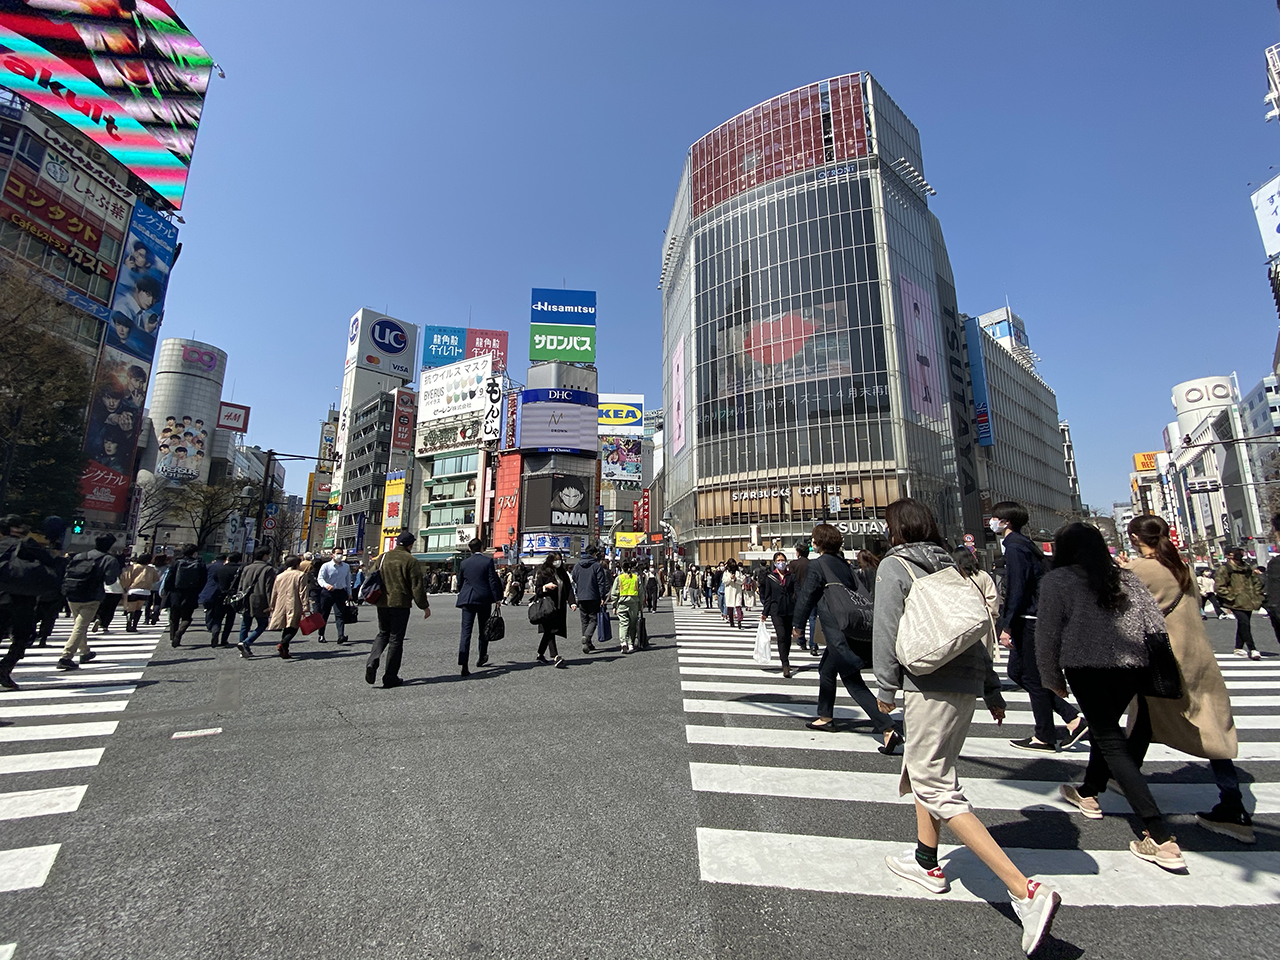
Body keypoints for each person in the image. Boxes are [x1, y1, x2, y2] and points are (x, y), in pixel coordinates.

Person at [871, 500, 1059, 954]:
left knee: (934, 783)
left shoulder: (895, 565)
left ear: (896, 529)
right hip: (965, 682)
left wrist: (885, 687)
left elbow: (886, 627)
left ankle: (1024, 891)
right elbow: (973, 626)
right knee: (929, 771)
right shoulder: (951, 560)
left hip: (927, 681)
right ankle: (926, 860)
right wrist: (990, 686)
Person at [1037, 522, 1183, 871]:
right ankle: (1088, 791)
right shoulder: (1127, 578)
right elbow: (1155, 627)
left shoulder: (1058, 581)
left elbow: (1046, 635)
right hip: (1132, 667)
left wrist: (1051, 678)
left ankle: (1159, 835)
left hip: (1086, 667)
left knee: (1109, 737)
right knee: (1108, 733)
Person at [1123, 516, 1253, 843]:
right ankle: (1232, 803)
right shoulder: (1180, 566)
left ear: (1135, 536)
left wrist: (1123, 571)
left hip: (1167, 659)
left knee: (1150, 714)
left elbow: (1119, 606)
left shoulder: (1142, 570)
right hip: (1198, 658)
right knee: (1205, 725)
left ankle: (1232, 805)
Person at [990, 501, 1087, 752]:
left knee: (1031, 677)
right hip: (1032, 617)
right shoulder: (1023, 544)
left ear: (1006, 522)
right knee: (1017, 673)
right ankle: (1071, 718)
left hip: (1028, 619)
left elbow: (1017, 589)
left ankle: (1045, 735)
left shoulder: (1014, 548)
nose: (991, 522)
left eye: (995, 518)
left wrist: (1007, 625)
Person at [795, 524, 898, 751]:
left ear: (819, 543)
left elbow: (807, 596)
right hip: (850, 626)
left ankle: (887, 728)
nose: (812, 542)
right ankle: (825, 716)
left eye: (813, 539)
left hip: (837, 630)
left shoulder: (818, 565)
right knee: (826, 670)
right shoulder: (844, 564)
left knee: (853, 682)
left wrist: (798, 625)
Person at [0, 516, 61, 690]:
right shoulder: (27, 543)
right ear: (16, 528)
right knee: (23, 635)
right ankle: (5, 667)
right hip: (20, 598)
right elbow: (51, 561)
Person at [366, 533, 430, 687]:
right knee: (396, 639)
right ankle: (390, 677)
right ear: (410, 545)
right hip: (400, 603)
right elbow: (417, 586)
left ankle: (372, 661)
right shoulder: (411, 560)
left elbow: (372, 574)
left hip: (382, 602)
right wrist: (424, 606)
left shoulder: (382, 558)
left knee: (382, 634)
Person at [57, 534, 122, 671]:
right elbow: (110, 580)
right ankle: (66, 657)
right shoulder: (109, 560)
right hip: (91, 596)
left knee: (79, 625)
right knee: (80, 627)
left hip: (72, 593)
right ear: (110, 546)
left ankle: (85, 652)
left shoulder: (80, 556)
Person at [455, 539, 503, 675]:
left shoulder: (464, 563)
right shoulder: (487, 561)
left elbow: (460, 582)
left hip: (467, 599)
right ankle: (482, 655)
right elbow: (492, 581)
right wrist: (497, 599)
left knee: (466, 632)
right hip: (483, 599)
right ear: (482, 548)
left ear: (470, 549)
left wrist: (462, 592)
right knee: (484, 629)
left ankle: (464, 664)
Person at [1214, 547, 1265, 659]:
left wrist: (1257, 595)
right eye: (1234, 553)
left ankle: (1238, 647)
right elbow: (1219, 586)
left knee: (1243, 624)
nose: (1238, 555)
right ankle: (1253, 649)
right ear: (1228, 555)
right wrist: (1232, 596)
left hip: (1249, 600)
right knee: (1244, 622)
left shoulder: (1247, 567)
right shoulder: (1225, 568)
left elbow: (1256, 582)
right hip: (1234, 602)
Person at [758, 551, 796, 678]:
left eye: (783, 560)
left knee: (788, 637)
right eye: (778, 561)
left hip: (789, 610)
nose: (781, 563)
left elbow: (795, 593)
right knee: (781, 636)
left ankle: (786, 656)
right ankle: (785, 664)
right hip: (776, 611)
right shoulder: (770, 578)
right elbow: (767, 596)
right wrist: (765, 613)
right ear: (774, 563)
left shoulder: (791, 576)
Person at [233, 548, 276, 658]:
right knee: (262, 624)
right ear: (264, 556)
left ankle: (243, 646)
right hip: (260, 600)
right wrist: (271, 603)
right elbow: (269, 588)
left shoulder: (247, 567)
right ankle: (246, 642)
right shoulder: (268, 569)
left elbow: (241, 584)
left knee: (245, 624)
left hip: (246, 598)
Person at [163, 544, 207, 648]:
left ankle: (173, 637)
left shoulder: (176, 562)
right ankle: (180, 632)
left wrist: (167, 590)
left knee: (174, 617)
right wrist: (197, 591)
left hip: (175, 593)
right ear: (194, 553)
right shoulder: (200, 564)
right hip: (191, 593)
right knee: (187, 618)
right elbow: (203, 580)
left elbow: (169, 578)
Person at [267, 555, 310, 659]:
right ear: (297, 564)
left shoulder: (280, 576)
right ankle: (283, 643)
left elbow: (274, 592)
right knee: (293, 626)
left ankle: (285, 649)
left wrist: (272, 605)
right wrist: (306, 606)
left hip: (280, 603)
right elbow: (302, 592)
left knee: (285, 625)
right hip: (294, 603)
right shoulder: (300, 575)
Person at [571, 546, 611, 654]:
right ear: (594, 554)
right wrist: (602, 596)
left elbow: (573, 577)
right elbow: (601, 583)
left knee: (584, 620)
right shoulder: (597, 566)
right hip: (594, 596)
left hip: (581, 596)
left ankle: (587, 643)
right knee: (594, 619)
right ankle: (587, 637)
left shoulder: (578, 565)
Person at [317, 548, 353, 644]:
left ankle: (341, 636)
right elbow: (320, 578)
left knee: (340, 614)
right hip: (327, 593)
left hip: (340, 592)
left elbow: (348, 580)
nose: (340, 555)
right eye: (338, 553)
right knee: (325, 614)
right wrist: (326, 585)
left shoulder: (346, 566)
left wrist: (349, 593)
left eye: (341, 553)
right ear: (332, 555)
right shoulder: (326, 566)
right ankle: (321, 635)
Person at [789, 543, 818, 655]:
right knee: (813, 619)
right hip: (812, 595)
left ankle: (801, 641)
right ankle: (813, 644)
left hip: (798, 595)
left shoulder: (793, 564)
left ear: (798, 552)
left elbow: (791, 580)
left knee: (800, 619)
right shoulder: (812, 564)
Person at [210, 552, 242, 647]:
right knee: (230, 618)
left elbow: (215, 579)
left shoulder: (220, 569)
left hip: (220, 594)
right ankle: (224, 639)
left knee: (217, 617)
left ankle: (215, 630)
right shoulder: (239, 570)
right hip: (233, 596)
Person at [610, 559, 642, 653]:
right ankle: (631, 643)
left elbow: (614, 593)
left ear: (622, 568)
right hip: (634, 602)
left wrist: (614, 605)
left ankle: (623, 642)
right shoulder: (636, 578)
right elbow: (641, 592)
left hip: (622, 602)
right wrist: (641, 604)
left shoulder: (619, 578)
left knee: (623, 623)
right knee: (633, 623)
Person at [120, 553, 157, 633]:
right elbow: (156, 579)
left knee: (131, 608)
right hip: (145, 591)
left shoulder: (132, 567)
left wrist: (126, 586)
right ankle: (135, 625)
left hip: (133, 590)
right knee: (139, 608)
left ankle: (129, 621)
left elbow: (126, 578)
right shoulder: (151, 569)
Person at [199, 554, 228, 633]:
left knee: (209, 610)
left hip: (208, 591)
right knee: (218, 612)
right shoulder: (225, 567)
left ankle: (209, 626)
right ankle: (216, 627)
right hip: (220, 592)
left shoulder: (208, 566)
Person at [722, 559, 745, 628]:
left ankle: (739, 620)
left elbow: (742, 581)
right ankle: (731, 621)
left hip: (737, 590)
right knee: (730, 607)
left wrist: (736, 579)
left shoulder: (738, 572)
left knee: (738, 606)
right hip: (729, 591)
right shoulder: (726, 572)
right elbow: (724, 581)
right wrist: (730, 578)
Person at [146, 555, 169, 624]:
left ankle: (146, 619)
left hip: (149, 586)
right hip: (160, 587)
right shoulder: (166, 568)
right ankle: (155, 615)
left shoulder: (150, 567)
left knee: (148, 603)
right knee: (157, 603)